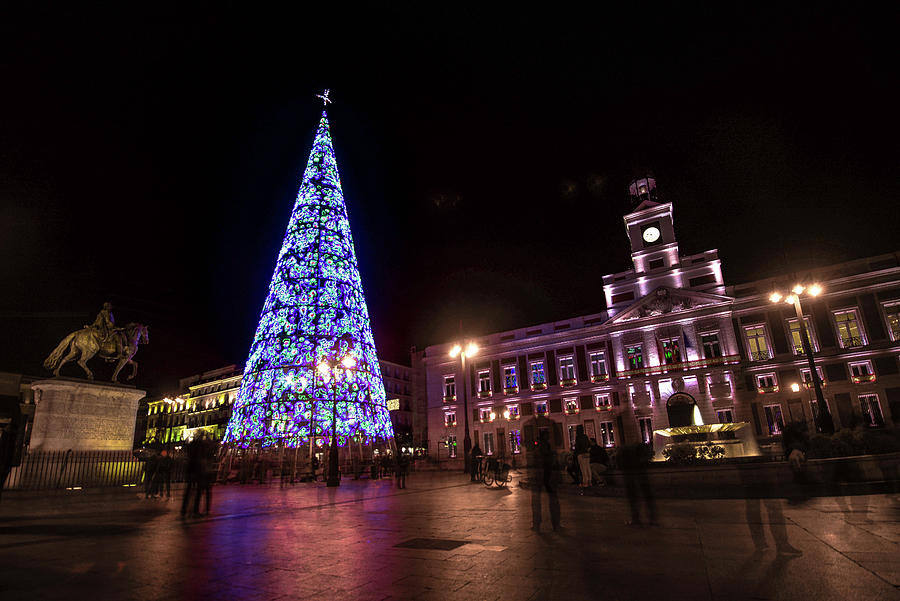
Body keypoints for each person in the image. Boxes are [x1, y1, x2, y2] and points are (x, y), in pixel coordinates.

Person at [531, 430, 561, 531]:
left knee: (537, 500)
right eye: (547, 435)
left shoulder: (539, 446)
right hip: (545, 473)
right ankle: (555, 524)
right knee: (552, 498)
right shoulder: (544, 446)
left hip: (540, 474)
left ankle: (537, 524)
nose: (549, 436)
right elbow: (546, 459)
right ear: (544, 436)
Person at [574, 425, 591, 494]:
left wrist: (575, 453)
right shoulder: (585, 436)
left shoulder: (578, 437)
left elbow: (577, 447)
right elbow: (589, 445)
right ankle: (590, 481)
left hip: (581, 454)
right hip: (587, 454)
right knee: (588, 468)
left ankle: (585, 483)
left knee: (583, 469)